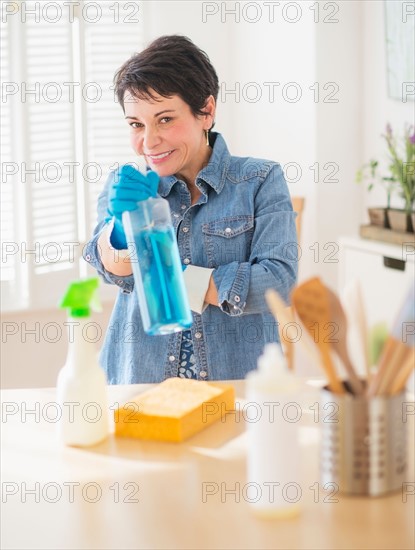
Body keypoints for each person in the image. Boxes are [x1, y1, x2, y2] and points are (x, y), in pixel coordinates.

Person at [84, 35, 298, 384]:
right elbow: (110, 271)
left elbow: (278, 282)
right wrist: (122, 229)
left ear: (207, 111)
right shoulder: (126, 185)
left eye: (165, 119)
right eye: (136, 124)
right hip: (139, 384)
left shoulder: (260, 180)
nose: (149, 141)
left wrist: (172, 279)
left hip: (237, 387)